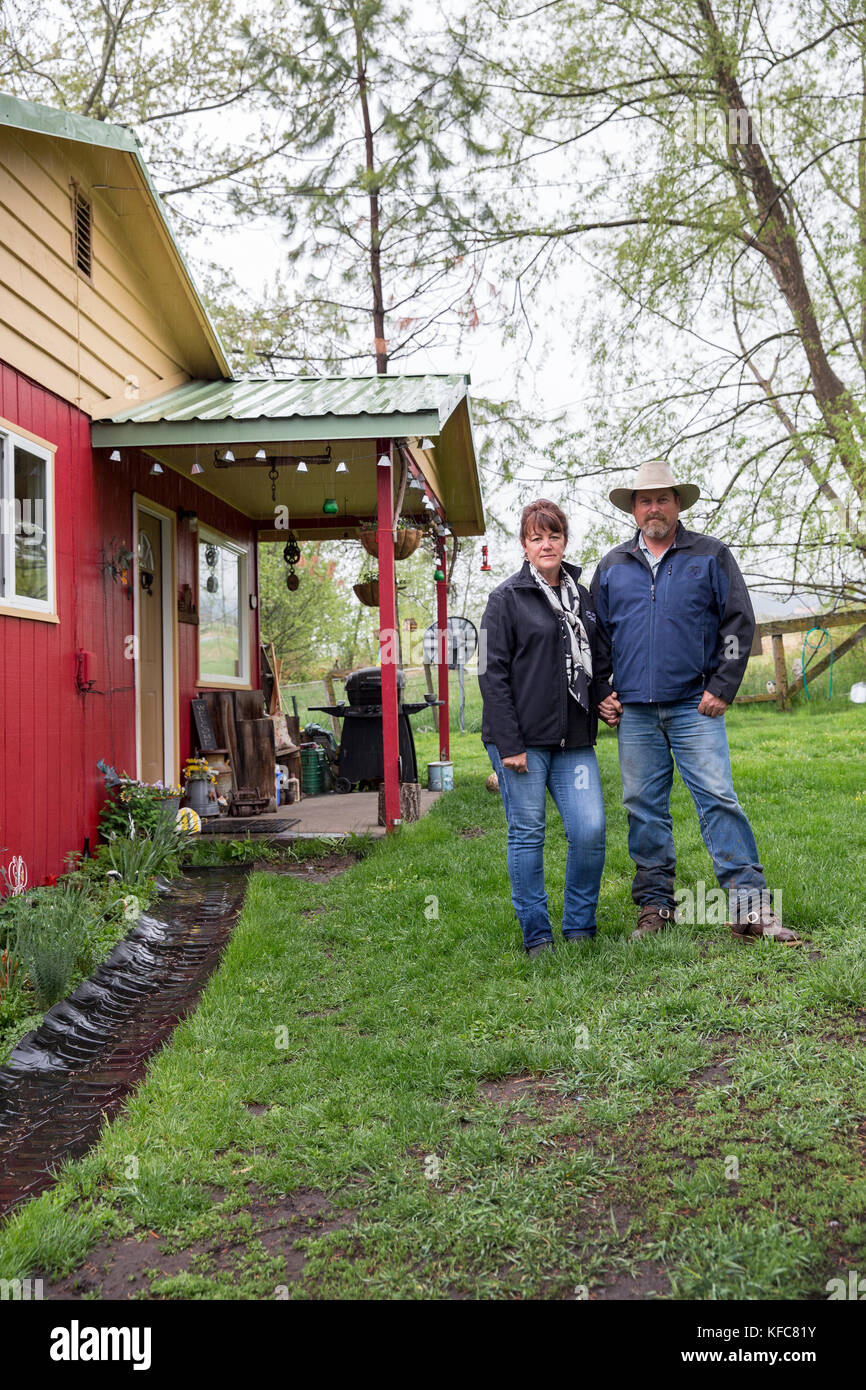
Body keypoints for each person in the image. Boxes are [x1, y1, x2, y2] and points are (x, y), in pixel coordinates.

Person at [590, 459, 800, 944]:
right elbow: (597, 637)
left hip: (694, 706)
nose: (654, 507)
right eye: (645, 500)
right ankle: (656, 909)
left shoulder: (710, 556)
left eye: (663, 498)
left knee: (718, 800)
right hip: (636, 714)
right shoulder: (612, 567)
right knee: (643, 808)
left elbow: (737, 623)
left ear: (678, 504)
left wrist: (722, 685)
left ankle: (751, 909)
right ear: (634, 509)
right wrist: (603, 690)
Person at [479, 499, 621, 959]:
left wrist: (603, 695)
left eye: (554, 535)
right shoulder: (506, 599)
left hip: (574, 739)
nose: (546, 544)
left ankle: (579, 926)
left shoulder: (584, 597)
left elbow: (598, 659)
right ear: (524, 545)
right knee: (528, 832)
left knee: (590, 830)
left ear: (564, 540)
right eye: (536, 537)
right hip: (522, 740)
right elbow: (491, 673)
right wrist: (508, 744)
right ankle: (537, 935)